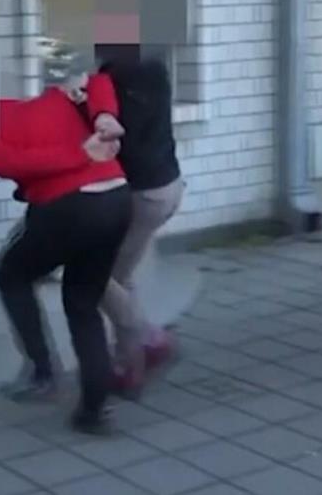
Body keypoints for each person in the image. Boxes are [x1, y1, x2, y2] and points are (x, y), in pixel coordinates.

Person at [0, 73, 130, 435]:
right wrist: (104, 116)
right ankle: (95, 411)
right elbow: (100, 80)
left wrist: (85, 145)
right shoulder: (60, 94)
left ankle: (42, 373)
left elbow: (10, 163)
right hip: (117, 198)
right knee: (83, 304)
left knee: (10, 275)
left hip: (67, 207)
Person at [87, 57, 185, 398]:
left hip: (143, 195)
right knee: (120, 274)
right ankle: (141, 344)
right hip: (167, 186)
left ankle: (136, 356)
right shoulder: (154, 65)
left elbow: (116, 137)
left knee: (99, 278)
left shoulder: (118, 77)